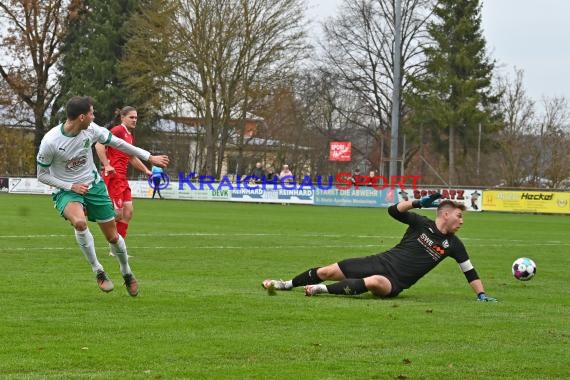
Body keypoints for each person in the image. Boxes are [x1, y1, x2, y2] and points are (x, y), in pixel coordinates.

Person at [36, 96, 169, 296]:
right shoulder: (51, 141)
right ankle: (98, 270)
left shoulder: (91, 129)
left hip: (93, 186)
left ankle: (127, 272)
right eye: (91, 112)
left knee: (113, 237)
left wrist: (149, 157)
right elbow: (42, 175)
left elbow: (119, 144)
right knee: (79, 223)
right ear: (82, 117)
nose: (94, 116)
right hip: (66, 189)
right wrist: (70, 185)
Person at [262, 193, 498, 302]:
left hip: (394, 282)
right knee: (326, 271)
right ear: (445, 214)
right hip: (379, 261)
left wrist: (481, 294)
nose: (462, 221)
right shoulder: (419, 223)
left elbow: (469, 271)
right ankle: (286, 284)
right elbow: (393, 211)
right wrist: (416, 202)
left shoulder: (453, 245)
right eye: (459, 216)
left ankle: (321, 290)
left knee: (375, 282)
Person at [95, 107, 152, 249]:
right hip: (114, 177)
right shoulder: (118, 130)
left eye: (136, 118)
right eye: (131, 117)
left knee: (128, 212)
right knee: (118, 214)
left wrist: (146, 170)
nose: (134, 120)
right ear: (122, 117)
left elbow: (131, 157)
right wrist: (107, 165)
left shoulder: (129, 136)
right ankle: (89, 212)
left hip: (122, 178)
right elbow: (99, 144)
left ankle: (117, 249)